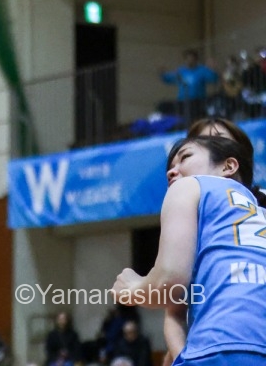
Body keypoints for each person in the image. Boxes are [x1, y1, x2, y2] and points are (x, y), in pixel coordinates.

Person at [112, 135, 266, 366]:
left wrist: (132, 287)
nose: (171, 172)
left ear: (228, 166)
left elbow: (168, 284)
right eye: (170, 167)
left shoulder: (189, 186)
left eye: (185, 157)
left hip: (220, 345)